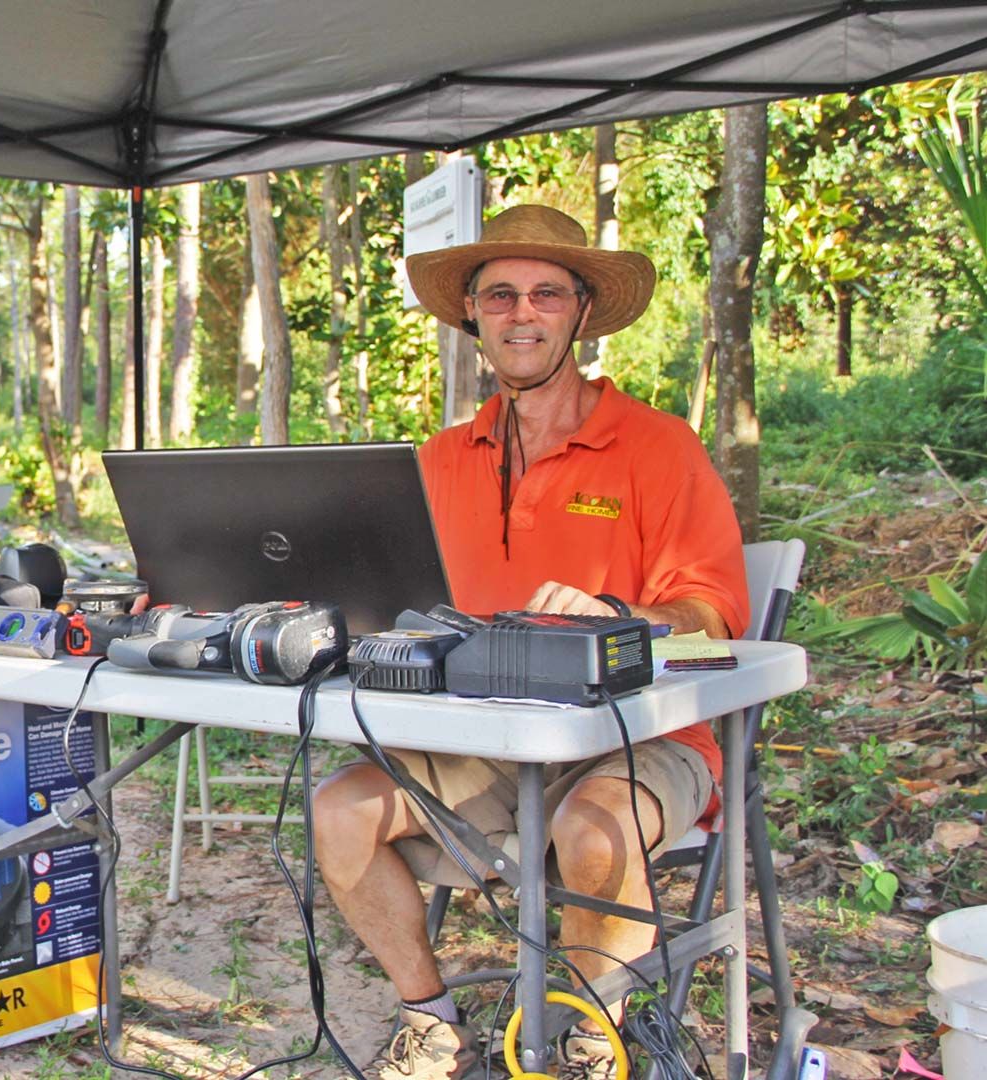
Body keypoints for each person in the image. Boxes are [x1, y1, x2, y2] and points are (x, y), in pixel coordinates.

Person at [312, 205, 749, 1080]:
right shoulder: (438, 460)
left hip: (645, 737)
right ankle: (432, 1025)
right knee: (338, 808)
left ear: (581, 313)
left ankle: (589, 1034)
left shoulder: (659, 448)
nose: (523, 313)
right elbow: (373, 595)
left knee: (592, 827)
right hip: (482, 744)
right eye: (500, 294)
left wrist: (622, 616)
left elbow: (715, 618)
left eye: (546, 294)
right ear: (472, 315)